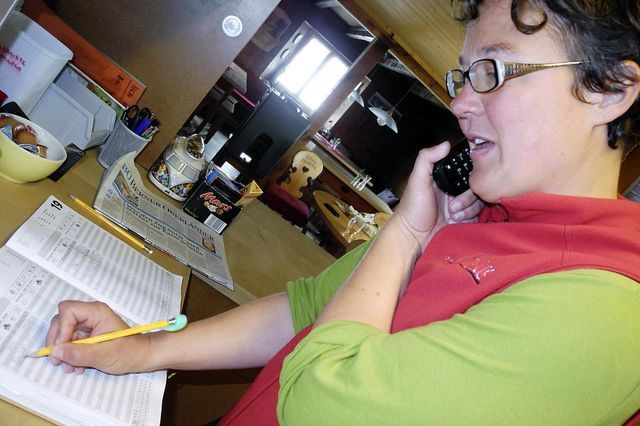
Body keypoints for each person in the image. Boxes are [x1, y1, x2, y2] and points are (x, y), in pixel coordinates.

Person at [45, 0, 640, 423]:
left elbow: (318, 402)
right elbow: (308, 309)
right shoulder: (481, 211)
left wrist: (406, 234)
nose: (460, 101)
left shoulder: (609, 312)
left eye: (494, 71)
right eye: (465, 75)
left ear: (609, 89)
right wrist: (146, 350)